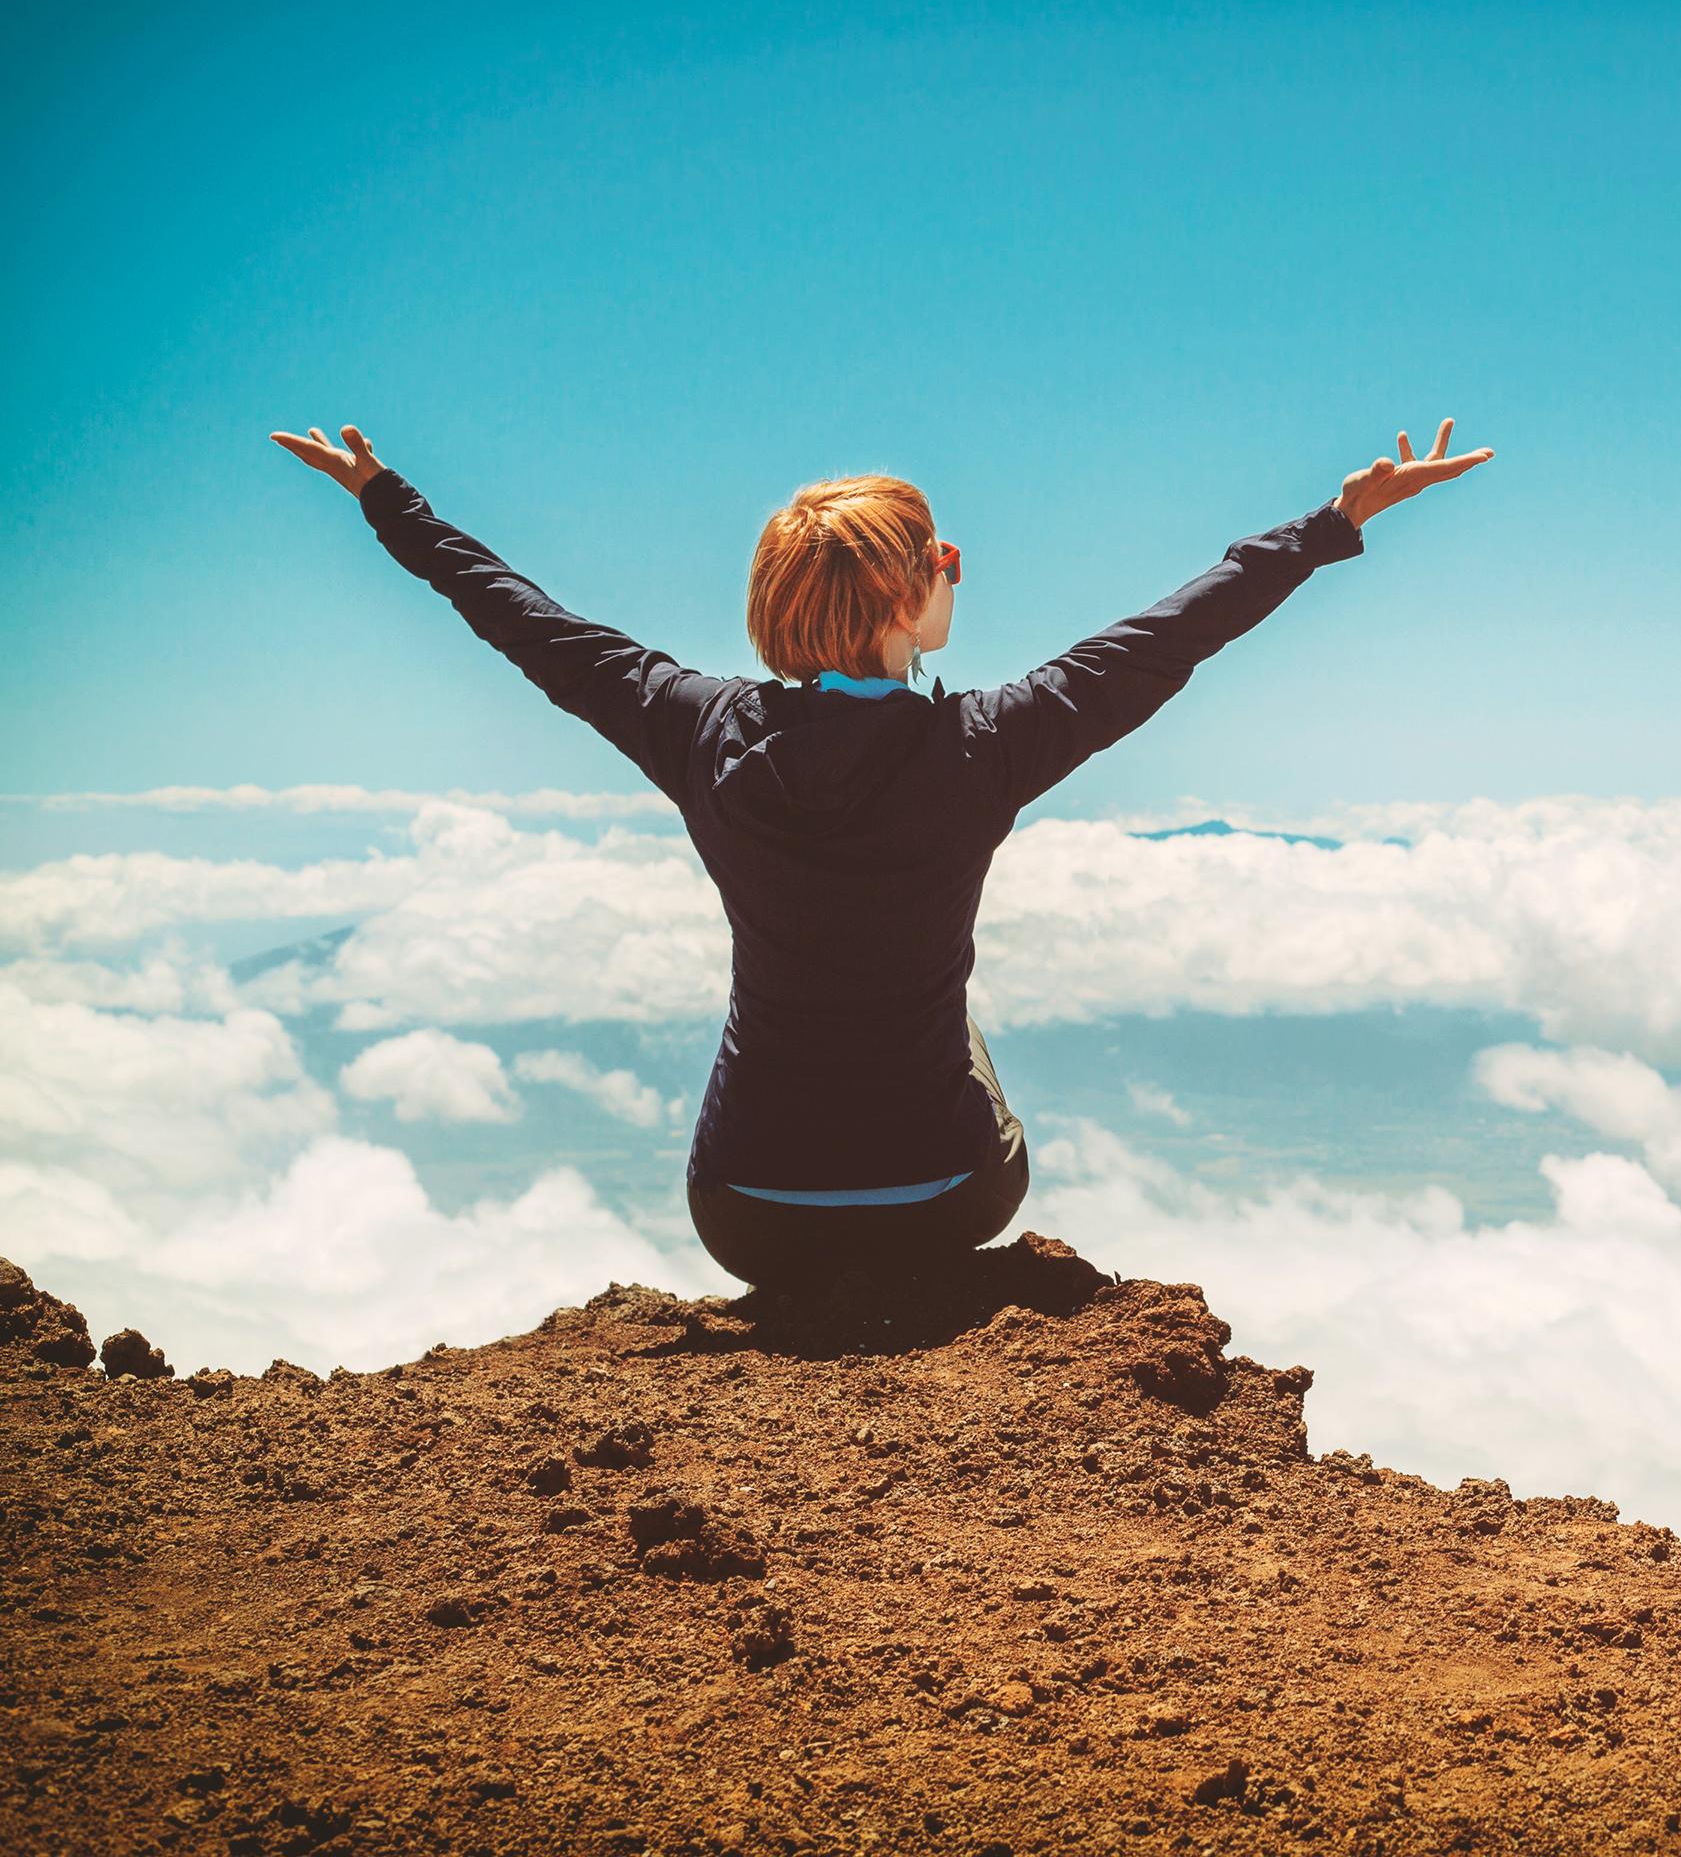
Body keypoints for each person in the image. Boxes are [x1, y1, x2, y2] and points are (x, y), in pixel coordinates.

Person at [267, 419, 1497, 1290]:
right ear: (906, 600)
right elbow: (1174, 634)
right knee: (947, 1009)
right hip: (946, 1202)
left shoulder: (691, 727)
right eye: (941, 560)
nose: (954, 571)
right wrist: (1335, 522)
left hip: (746, 1216)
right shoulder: (993, 744)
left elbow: (518, 614)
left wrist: (388, 497)